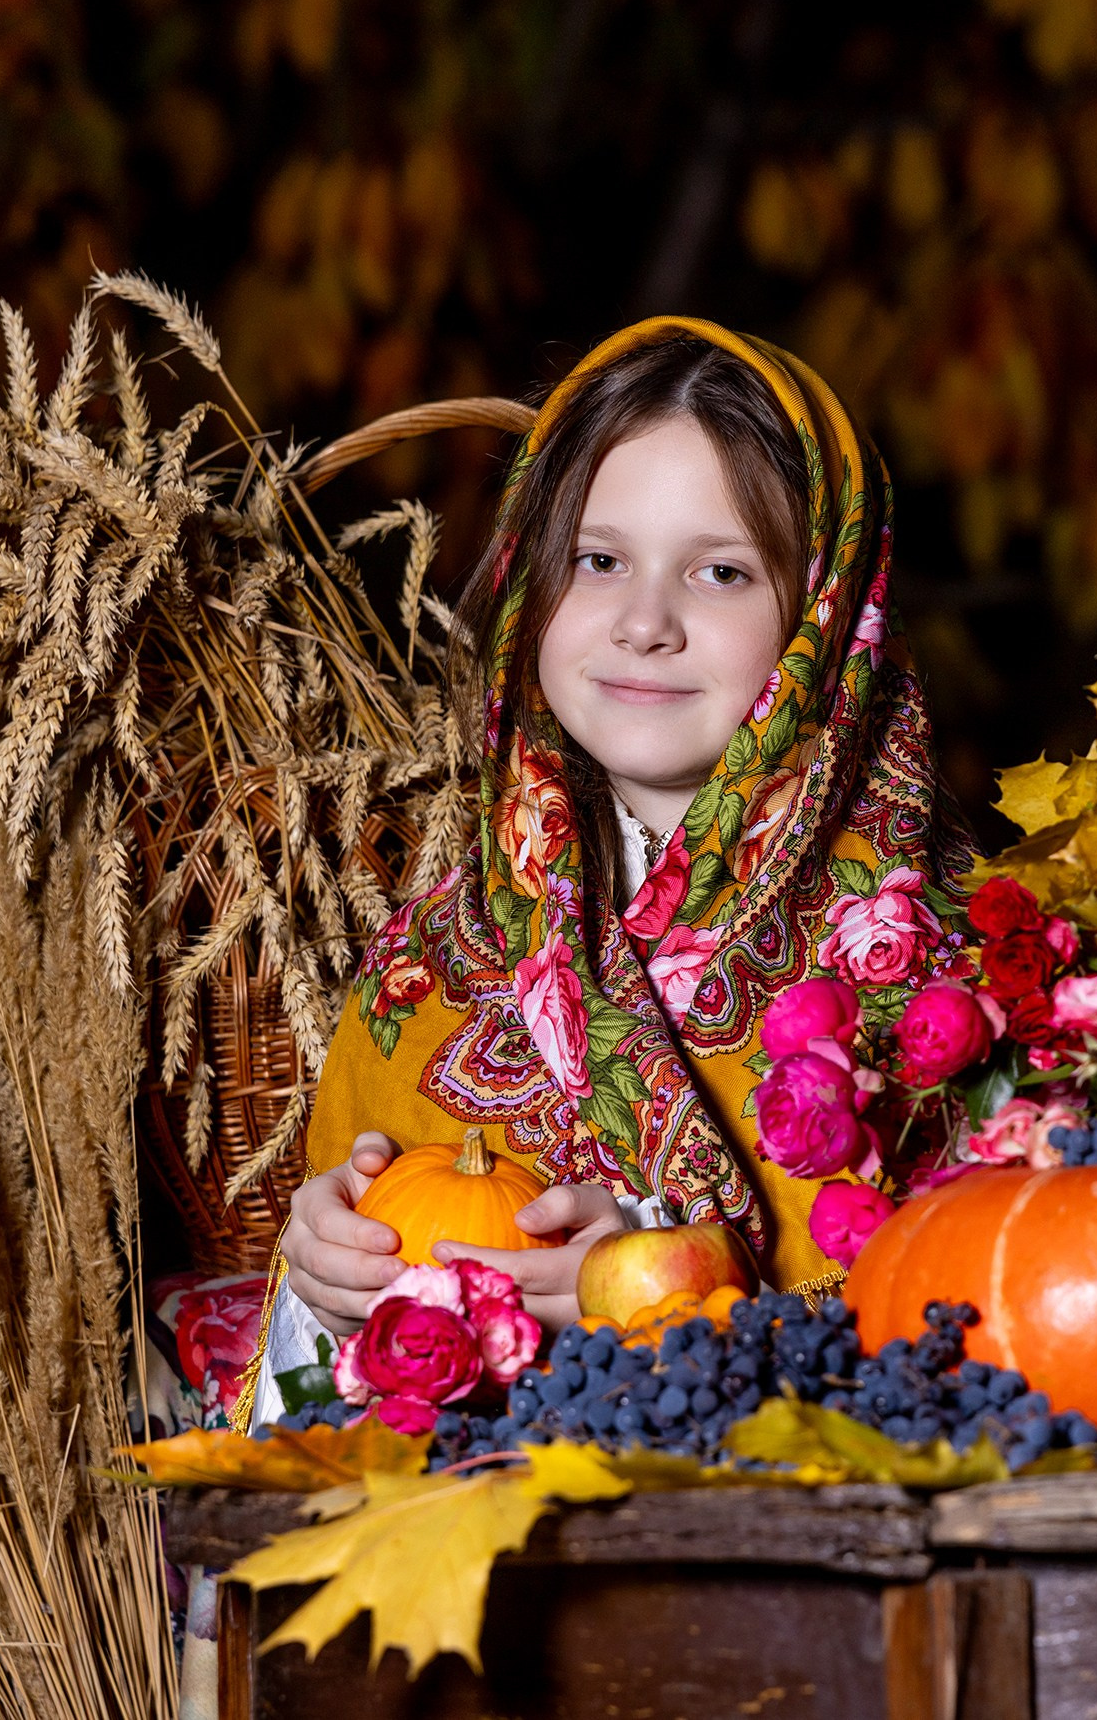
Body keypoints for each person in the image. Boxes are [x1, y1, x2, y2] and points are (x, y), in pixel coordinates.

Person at [249, 317, 964, 1420]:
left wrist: (651, 1300)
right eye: (597, 560)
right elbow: (309, 1437)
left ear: (828, 614)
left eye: (720, 572)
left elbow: (1001, 1340)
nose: (643, 622)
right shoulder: (428, 974)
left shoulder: (942, 982)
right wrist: (325, 1291)